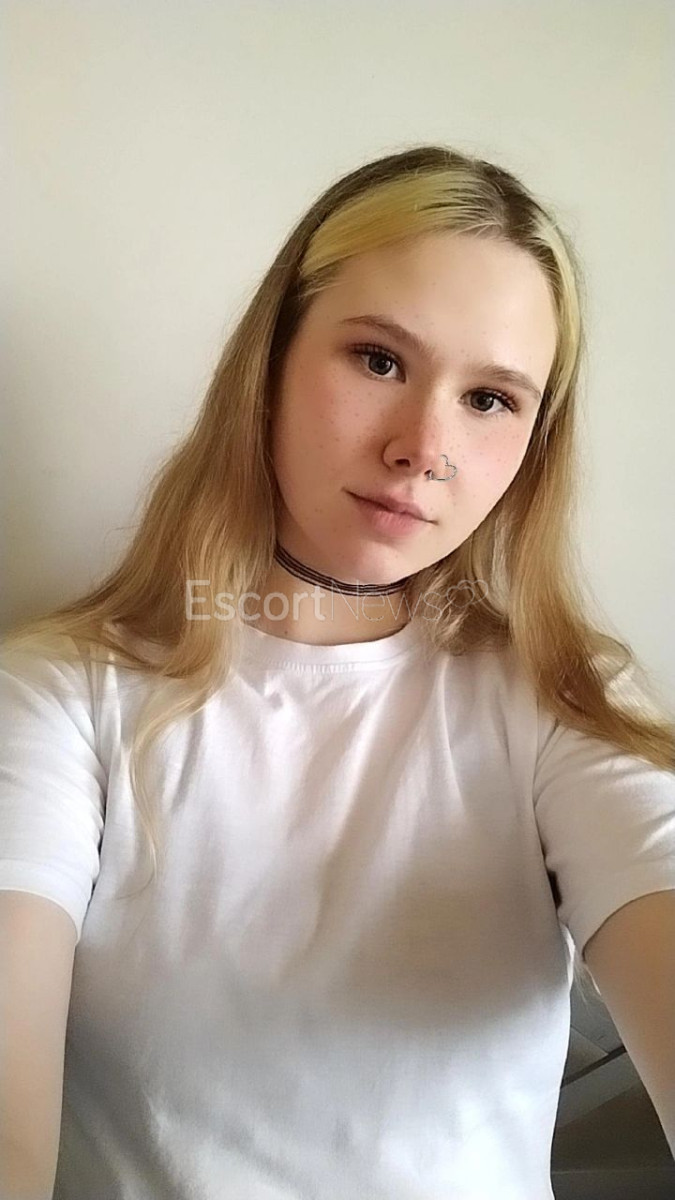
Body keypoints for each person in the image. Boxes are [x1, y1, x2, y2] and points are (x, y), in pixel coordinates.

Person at [1, 144, 674, 1200]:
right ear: (269, 362)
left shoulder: (562, 701)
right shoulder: (58, 695)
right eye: (378, 360)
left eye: (490, 399)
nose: (423, 447)